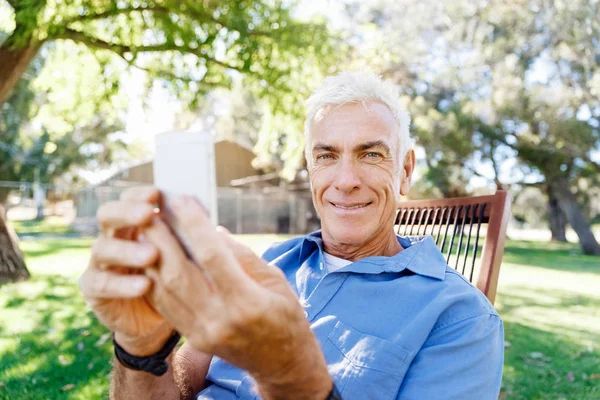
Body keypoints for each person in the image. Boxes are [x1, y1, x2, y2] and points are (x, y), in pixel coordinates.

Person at [79, 71, 503, 400]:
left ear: (405, 171)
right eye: (326, 155)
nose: (345, 179)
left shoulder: (461, 319)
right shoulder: (269, 264)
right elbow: (181, 389)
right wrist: (141, 348)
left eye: (371, 154)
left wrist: (289, 374)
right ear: (310, 168)